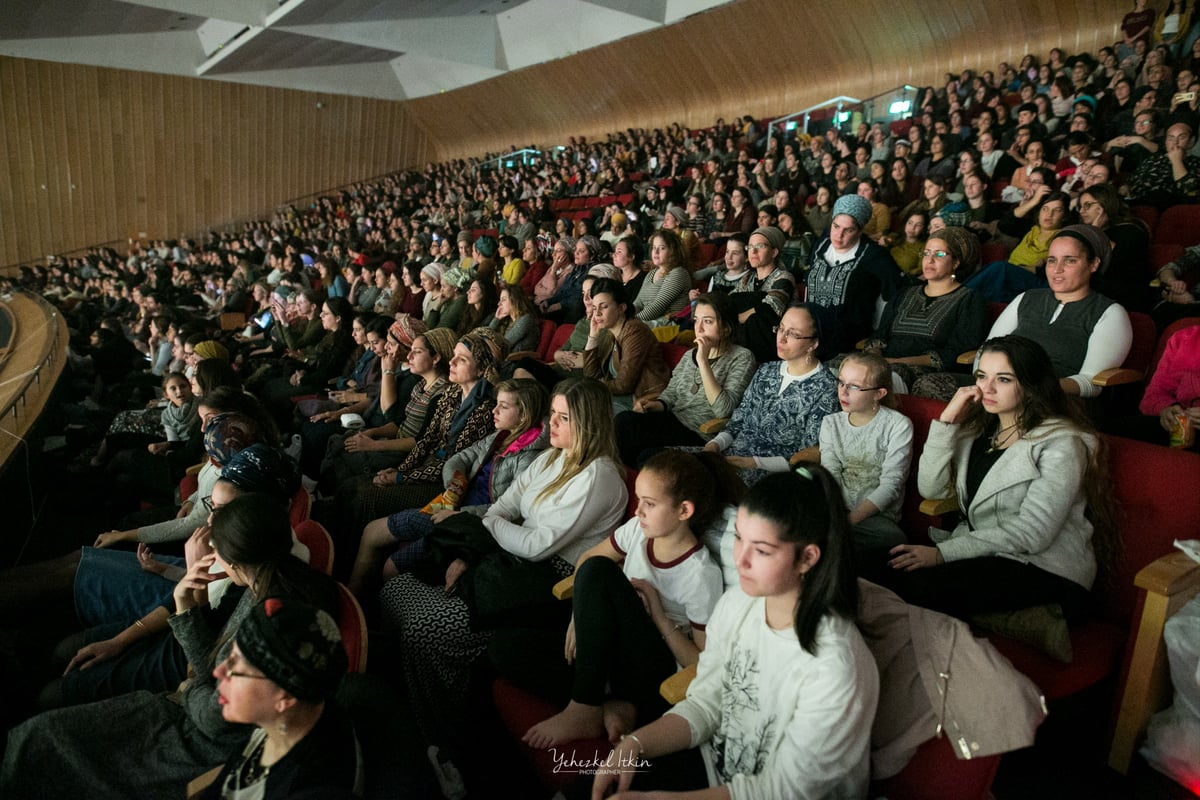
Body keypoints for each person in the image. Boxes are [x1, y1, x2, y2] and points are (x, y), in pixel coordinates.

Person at [0, 494, 340, 799]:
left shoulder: (270, 614)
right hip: (185, 713)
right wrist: (191, 619)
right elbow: (214, 671)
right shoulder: (282, 581)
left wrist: (189, 633)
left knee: (39, 740)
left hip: (190, 741)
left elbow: (210, 706)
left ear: (234, 562)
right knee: (38, 735)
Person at [588, 467, 878, 799]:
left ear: (807, 558)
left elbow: (787, 790)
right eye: (739, 537)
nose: (740, 560)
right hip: (718, 770)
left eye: (762, 550)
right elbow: (707, 702)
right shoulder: (739, 602)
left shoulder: (835, 666)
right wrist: (634, 745)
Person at [378, 376, 628, 751]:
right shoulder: (550, 457)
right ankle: (413, 710)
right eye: (552, 415)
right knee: (397, 588)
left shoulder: (600, 477)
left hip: (550, 584)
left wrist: (491, 527)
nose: (550, 425)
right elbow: (505, 507)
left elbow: (537, 546)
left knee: (423, 630)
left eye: (562, 418)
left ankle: (444, 740)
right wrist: (477, 546)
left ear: (588, 424)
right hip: (509, 558)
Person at [490, 450, 740, 748]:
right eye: (640, 500)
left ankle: (584, 705)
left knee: (600, 571)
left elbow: (699, 663)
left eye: (649, 504)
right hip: (609, 648)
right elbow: (586, 556)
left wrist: (659, 615)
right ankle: (606, 703)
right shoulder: (638, 529)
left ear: (684, 510)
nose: (638, 512)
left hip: (651, 666)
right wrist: (578, 617)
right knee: (503, 647)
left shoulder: (700, 573)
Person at [888, 336, 1116, 623]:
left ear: (1031, 385)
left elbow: (1033, 533)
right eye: (982, 376)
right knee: (881, 567)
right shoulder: (979, 430)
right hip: (990, 554)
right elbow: (930, 488)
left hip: (1045, 568)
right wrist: (946, 422)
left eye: (1004, 379)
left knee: (916, 587)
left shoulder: (1061, 443)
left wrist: (942, 554)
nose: (988, 388)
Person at [347, 378, 549, 601]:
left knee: (390, 566)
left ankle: (362, 612)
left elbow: (511, 510)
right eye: (496, 403)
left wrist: (459, 513)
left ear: (524, 415)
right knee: (372, 532)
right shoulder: (500, 436)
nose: (494, 410)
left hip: (470, 522)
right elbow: (460, 458)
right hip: (452, 502)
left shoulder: (530, 457)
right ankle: (352, 601)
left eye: (504, 406)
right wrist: (455, 483)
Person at [201, 597, 356, 799]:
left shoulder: (310, 789)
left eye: (235, 667)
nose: (219, 672)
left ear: (286, 698)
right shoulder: (286, 720)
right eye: (230, 657)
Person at [983, 226, 1133, 398]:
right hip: (996, 389)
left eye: (1069, 260)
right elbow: (987, 351)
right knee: (947, 385)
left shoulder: (1109, 313)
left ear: (1093, 264)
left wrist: (1031, 388)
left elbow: (1091, 383)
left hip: (1055, 401)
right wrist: (985, 384)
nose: (1057, 269)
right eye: (1052, 260)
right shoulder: (1026, 299)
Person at [613, 291, 756, 466]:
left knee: (645, 453)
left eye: (708, 322)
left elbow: (723, 410)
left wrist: (703, 361)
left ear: (726, 328)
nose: (699, 328)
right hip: (673, 420)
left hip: (699, 433)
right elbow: (671, 394)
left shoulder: (741, 357)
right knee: (624, 421)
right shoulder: (690, 355)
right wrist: (656, 405)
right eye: (696, 321)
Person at [703, 303, 838, 485]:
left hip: (773, 474)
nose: (781, 338)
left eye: (793, 334)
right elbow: (737, 421)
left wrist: (752, 462)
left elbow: (805, 455)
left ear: (814, 343)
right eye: (780, 329)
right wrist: (715, 445)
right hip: (730, 456)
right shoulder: (766, 370)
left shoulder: (826, 388)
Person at [820, 353, 913, 580]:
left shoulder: (898, 425)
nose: (843, 391)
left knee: (893, 538)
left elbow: (891, 485)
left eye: (854, 386)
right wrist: (836, 514)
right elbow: (830, 474)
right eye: (841, 382)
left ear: (879, 394)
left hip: (875, 519)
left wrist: (845, 523)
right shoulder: (831, 423)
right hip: (837, 509)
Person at [865, 226, 987, 396]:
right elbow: (880, 334)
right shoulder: (906, 293)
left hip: (927, 371)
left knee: (887, 376)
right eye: (926, 253)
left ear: (956, 262)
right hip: (885, 362)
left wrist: (896, 362)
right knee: (839, 365)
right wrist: (875, 355)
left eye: (939, 254)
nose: (929, 260)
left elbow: (955, 352)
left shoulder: (970, 299)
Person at [803, 194, 905, 353]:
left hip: (848, 337)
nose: (839, 235)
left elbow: (897, 292)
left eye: (848, 230)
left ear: (860, 230)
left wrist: (880, 334)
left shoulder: (874, 255)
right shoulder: (822, 244)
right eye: (835, 226)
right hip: (811, 329)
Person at [582, 278, 671, 412]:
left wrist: (593, 386)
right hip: (619, 396)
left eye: (604, 306)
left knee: (584, 404)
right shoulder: (609, 332)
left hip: (641, 400)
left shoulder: (635, 331)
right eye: (594, 308)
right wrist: (593, 336)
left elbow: (624, 385)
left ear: (621, 308)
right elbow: (591, 375)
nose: (597, 313)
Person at [632, 229, 692, 323]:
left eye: (662, 248)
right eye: (654, 247)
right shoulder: (651, 273)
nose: (655, 252)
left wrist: (630, 323)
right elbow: (638, 303)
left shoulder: (678, 273)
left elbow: (657, 307)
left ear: (673, 251)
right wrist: (625, 316)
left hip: (668, 325)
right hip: (648, 323)